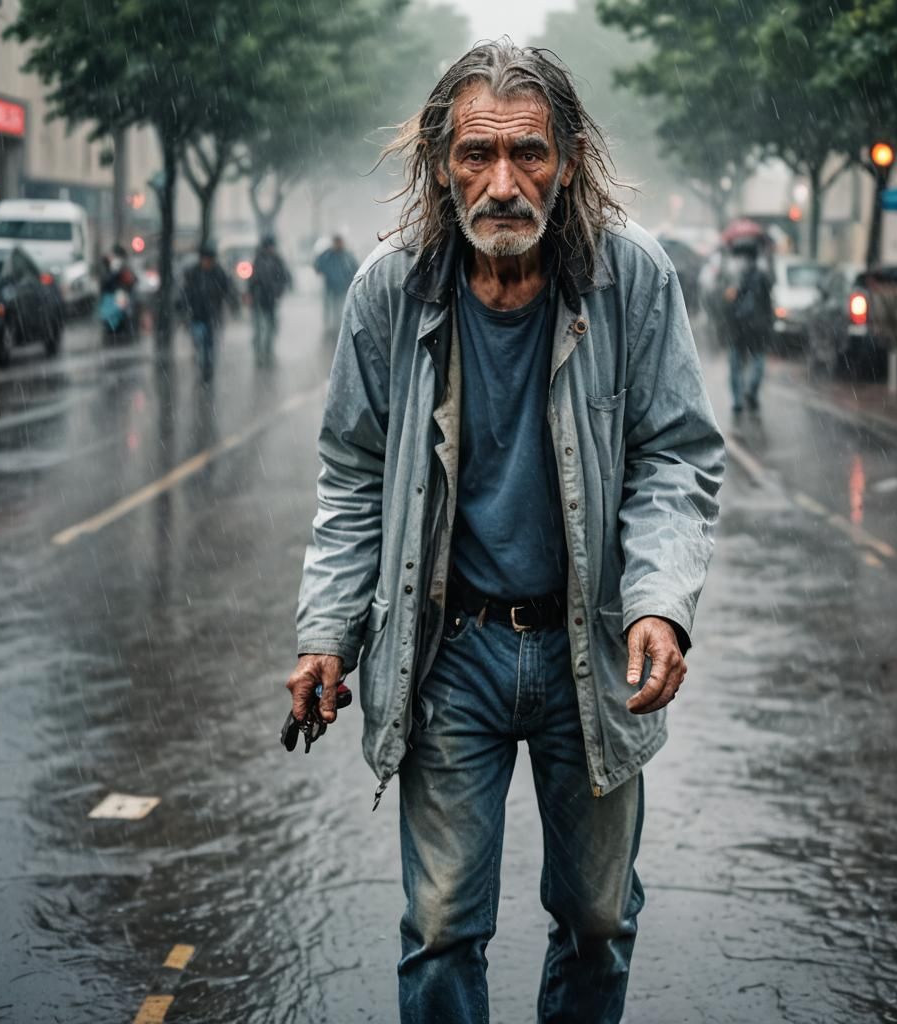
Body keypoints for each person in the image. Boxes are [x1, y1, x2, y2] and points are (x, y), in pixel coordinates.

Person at [287, 42, 725, 1024]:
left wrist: (660, 603)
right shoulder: (388, 293)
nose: (502, 182)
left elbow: (677, 456)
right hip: (452, 654)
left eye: (528, 153)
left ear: (568, 158)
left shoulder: (634, 279)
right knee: (442, 928)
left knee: (599, 918)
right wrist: (326, 633)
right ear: (441, 165)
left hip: (591, 648)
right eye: (476, 155)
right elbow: (353, 478)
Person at [722, 240, 773, 413]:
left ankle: (738, 400)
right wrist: (768, 323)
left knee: (736, 362)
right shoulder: (763, 276)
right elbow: (768, 303)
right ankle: (751, 391)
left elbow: (729, 304)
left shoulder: (736, 277)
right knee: (757, 358)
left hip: (739, 326)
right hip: (758, 327)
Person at [180, 243, 237, 383]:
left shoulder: (218, 272)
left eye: (209, 259)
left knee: (209, 346)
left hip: (212, 316)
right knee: (199, 343)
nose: (207, 262)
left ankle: (207, 369)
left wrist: (233, 304)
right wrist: (183, 308)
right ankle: (202, 366)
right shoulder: (194, 273)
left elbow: (227, 290)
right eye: (205, 259)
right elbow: (185, 292)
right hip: (197, 315)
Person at [249, 235, 292, 367]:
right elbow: (252, 280)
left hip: (270, 299)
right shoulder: (259, 260)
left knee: (270, 328)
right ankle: (261, 352)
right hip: (260, 300)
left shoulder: (275, 260)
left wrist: (279, 289)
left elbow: (285, 277)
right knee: (261, 328)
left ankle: (266, 351)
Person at [313, 234, 358, 334]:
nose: (338, 245)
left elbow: (355, 268)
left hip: (343, 288)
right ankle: (330, 328)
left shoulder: (347, 255)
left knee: (341, 308)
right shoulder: (328, 255)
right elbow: (318, 265)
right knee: (330, 308)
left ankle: (339, 327)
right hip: (330, 288)